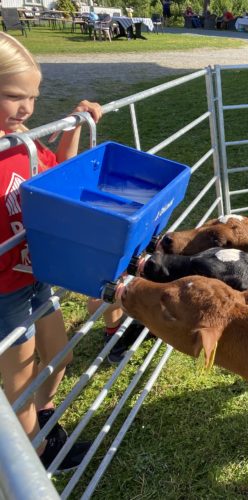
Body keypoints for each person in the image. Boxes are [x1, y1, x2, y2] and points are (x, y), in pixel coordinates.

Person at [0, 32, 101, 472]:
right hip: (6, 293)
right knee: (17, 386)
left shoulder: (23, 139)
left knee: (60, 355)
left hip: (37, 276)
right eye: (13, 96)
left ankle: (42, 419)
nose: (26, 109)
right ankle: (37, 458)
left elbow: (55, 176)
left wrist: (72, 126)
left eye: (33, 98)